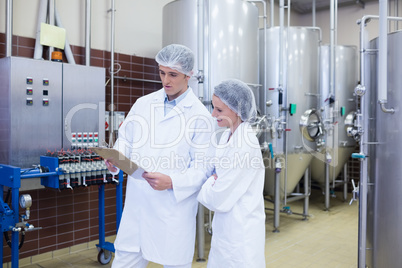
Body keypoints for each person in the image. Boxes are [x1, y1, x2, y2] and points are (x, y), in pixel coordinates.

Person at [105, 44, 215, 268]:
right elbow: (126, 138)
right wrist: (117, 158)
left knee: (174, 262)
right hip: (137, 205)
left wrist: (173, 182)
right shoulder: (143, 104)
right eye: (162, 72)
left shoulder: (200, 117)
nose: (166, 80)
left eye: (173, 74)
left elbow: (203, 168)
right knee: (125, 260)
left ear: (188, 75)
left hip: (171, 210)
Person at [197, 79, 266, 268]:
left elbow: (217, 199)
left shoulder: (244, 145)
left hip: (241, 234)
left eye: (219, 110)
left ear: (237, 110)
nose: (213, 114)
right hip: (227, 230)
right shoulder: (229, 136)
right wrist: (214, 181)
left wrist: (209, 183)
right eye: (213, 108)